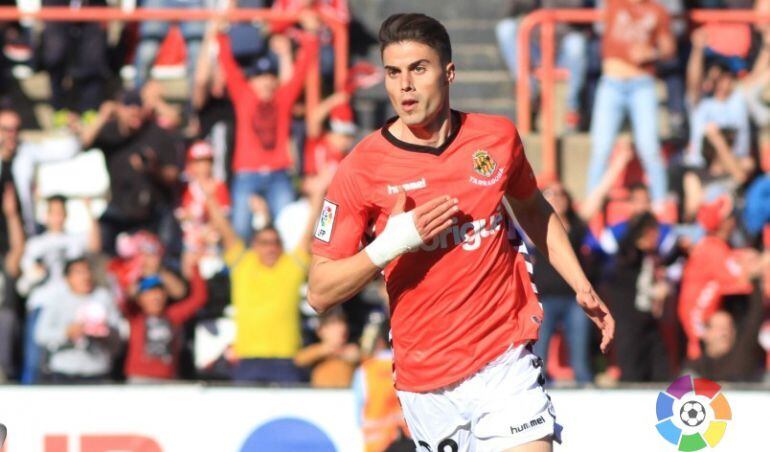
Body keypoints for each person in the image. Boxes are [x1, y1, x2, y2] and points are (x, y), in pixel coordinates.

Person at [308, 13, 614, 452]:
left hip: (504, 358)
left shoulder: (497, 138)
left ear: (449, 72)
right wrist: (388, 246)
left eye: (418, 69)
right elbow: (320, 292)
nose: (405, 86)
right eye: (393, 72)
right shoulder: (361, 169)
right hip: (427, 378)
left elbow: (531, 206)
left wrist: (580, 284)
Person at [204, 167, 327, 384]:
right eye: (264, 242)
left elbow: (310, 231)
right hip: (247, 358)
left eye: (275, 242)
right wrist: (210, 197)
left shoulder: (291, 265)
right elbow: (224, 229)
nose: (270, 248)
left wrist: (318, 195)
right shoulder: (243, 264)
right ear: (254, 245)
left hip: (286, 358)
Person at [216, 21, 319, 240]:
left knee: (289, 231)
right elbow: (228, 66)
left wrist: (311, 35)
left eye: (270, 77)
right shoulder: (243, 95)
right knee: (240, 231)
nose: (266, 82)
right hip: (247, 172)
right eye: (260, 77)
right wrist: (220, 35)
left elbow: (301, 70)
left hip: (278, 172)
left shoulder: (283, 98)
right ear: (251, 81)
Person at [587, 0, 675, 204]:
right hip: (611, 82)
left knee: (649, 148)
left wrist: (652, 52)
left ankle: (660, 205)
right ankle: (591, 205)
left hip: (642, 83)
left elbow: (669, 48)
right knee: (600, 149)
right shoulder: (614, 3)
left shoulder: (657, 11)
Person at [17, 195, 100, 384]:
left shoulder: (73, 240)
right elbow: (25, 277)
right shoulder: (36, 244)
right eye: (53, 213)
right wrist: (35, 273)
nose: (57, 217)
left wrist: (89, 211)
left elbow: (94, 247)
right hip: (41, 303)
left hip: (67, 305)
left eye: (61, 212)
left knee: (65, 355)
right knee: (34, 359)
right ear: (46, 215)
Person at [605, 212, 671, 382]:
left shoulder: (651, 256)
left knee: (659, 368)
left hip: (648, 322)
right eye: (653, 231)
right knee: (632, 371)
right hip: (630, 323)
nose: (657, 236)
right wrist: (655, 291)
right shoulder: (628, 256)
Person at [34, 257, 122, 383]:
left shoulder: (103, 297)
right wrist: (66, 333)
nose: (85, 276)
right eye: (79, 272)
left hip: (97, 372)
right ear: (67, 278)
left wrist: (103, 332)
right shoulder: (57, 300)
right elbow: (40, 335)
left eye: (87, 271)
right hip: (64, 372)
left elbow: (118, 338)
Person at [122, 268, 207, 383]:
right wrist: (138, 273)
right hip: (139, 378)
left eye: (159, 293)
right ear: (140, 299)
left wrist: (194, 268)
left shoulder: (172, 315)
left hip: (167, 378)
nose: (156, 298)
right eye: (150, 294)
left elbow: (199, 298)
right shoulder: (135, 316)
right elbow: (123, 298)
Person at [683, 276, 767, 382]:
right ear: (706, 333)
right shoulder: (694, 368)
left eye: (728, 327)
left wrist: (755, 279)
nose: (725, 333)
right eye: (719, 328)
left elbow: (755, 318)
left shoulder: (742, 358)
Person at [294, 308, 360, 387]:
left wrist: (357, 357)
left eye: (342, 323)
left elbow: (367, 360)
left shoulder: (352, 349)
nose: (342, 329)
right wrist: (325, 350)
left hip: (346, 392)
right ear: (321, 331)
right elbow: (299, 360)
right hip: (322, 392)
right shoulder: (317, 350)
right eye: (334, 325)